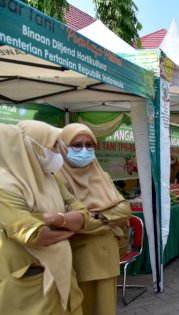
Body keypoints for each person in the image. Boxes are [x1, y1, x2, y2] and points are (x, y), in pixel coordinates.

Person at [0, 121, 95, 314]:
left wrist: (56, 219)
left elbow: (83, 213)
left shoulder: (51, 178)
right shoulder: (5, 186)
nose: (58, 151)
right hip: (31, 284)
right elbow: (35, 234)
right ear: (28, 147)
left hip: (63, 273)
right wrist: (72, 227)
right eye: (53, 146)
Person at [55, 123, 131, 315]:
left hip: (108, 255)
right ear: (62, 147)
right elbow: (67, 220)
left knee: (106, 308)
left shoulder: (102, 175)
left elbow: (125, 208)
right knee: (81, 308)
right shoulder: (56, 178)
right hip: (77, 256)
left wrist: (98, 216)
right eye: (77, 145)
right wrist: (108, 221)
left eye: (90, 145)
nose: (84, 150)